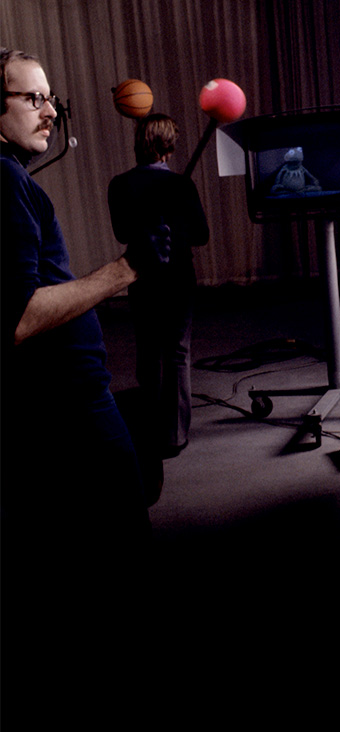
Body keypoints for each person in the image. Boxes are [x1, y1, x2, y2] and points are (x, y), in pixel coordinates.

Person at [0, 47, 170, 721]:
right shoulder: (6, 185)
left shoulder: (15, 179)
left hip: (62, 401)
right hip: (67, 406)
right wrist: (123, 271)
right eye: (30, 97)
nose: (49, 108)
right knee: (121, 559)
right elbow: (19, 318)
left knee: (77, 559)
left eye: (50, 97)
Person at [108, 113, 209, 484]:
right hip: (178, 280)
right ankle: (175, 435)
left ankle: (147, 432)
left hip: (143, 280)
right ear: (168, 146)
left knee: (149, 352)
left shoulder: (119, 185)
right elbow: (201, 235)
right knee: (177, 353)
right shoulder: (182, 186)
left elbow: (122, 233)